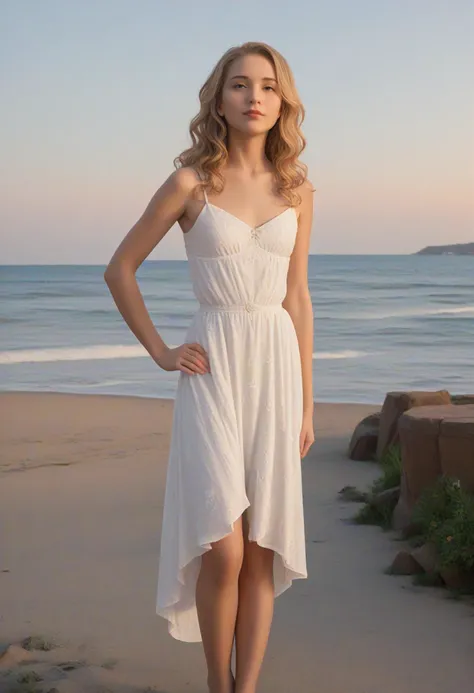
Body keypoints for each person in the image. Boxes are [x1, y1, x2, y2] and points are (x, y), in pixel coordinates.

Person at [104, 40, 315, 693]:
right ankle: (214, 680)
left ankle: (242, 687)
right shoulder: (190, 183)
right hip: (213, 368)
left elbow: (298, 296)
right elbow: (120, 269)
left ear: (282, 103)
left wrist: (308, 402)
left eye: (268, 87)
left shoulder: (298, 189)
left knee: (262, 545)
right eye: (240, 85)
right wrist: (163, 350)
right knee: (223, 544)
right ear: (218, 99)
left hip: (276, 368)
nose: (255, 96)